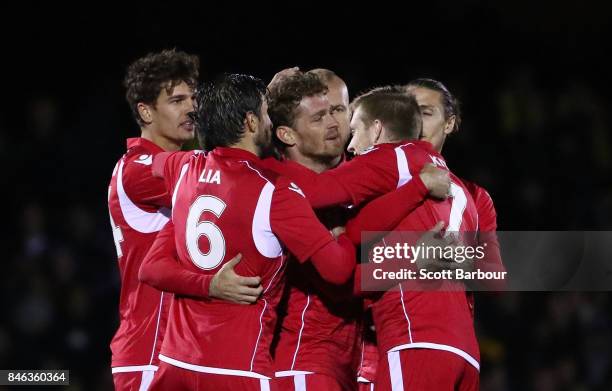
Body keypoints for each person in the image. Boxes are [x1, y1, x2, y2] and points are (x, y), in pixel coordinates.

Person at [143, 74, 358, 391]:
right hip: (301, 367)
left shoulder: (189, 169)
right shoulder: (277, 188)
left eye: (341, 110)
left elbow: (161, 165)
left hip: (182, 363)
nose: (339, 123)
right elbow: (343, 278)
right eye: (320, 115)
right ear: (284, 132)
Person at [108, 50, 258, 391]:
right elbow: (228, 176)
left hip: (186, 350)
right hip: (151, 349)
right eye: (176, 100)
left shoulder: (176, 163)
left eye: (193, 97)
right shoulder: (139, 169)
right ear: (145, 111)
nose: (192, 107)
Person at [348, 87, 481, 391]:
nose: (416, 122)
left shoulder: (468, 195)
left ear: (449, 124)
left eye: (426, 112)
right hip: (454, 349)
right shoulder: (463, 192)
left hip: (416, 340)